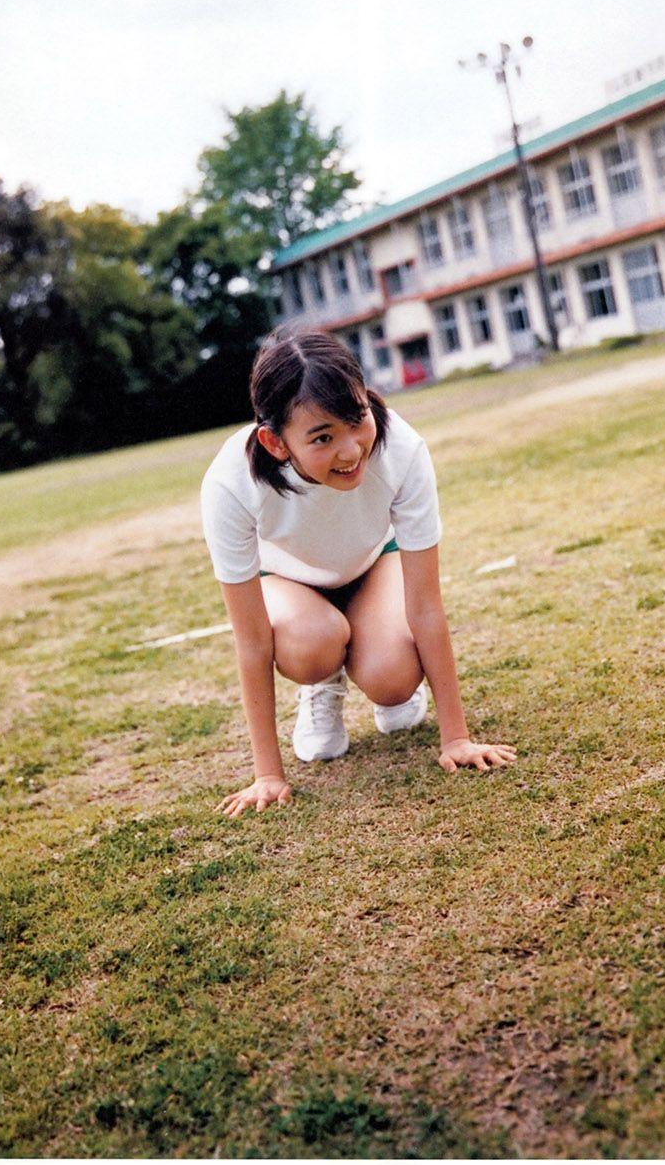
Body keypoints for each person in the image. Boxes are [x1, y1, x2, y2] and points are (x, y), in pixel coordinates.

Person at [200, 330, 516, 817]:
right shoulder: (230, 483)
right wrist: (268, 774)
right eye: (323, 437)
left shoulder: (404, 450)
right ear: (275, 442)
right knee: (312, 644)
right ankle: (322, 683)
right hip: (289, 584)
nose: (351, 451)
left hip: (373, 565)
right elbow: (252, 641)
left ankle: (376, 662)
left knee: (392, 680)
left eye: (357, 419)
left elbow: (426, 606)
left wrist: (456, 737)